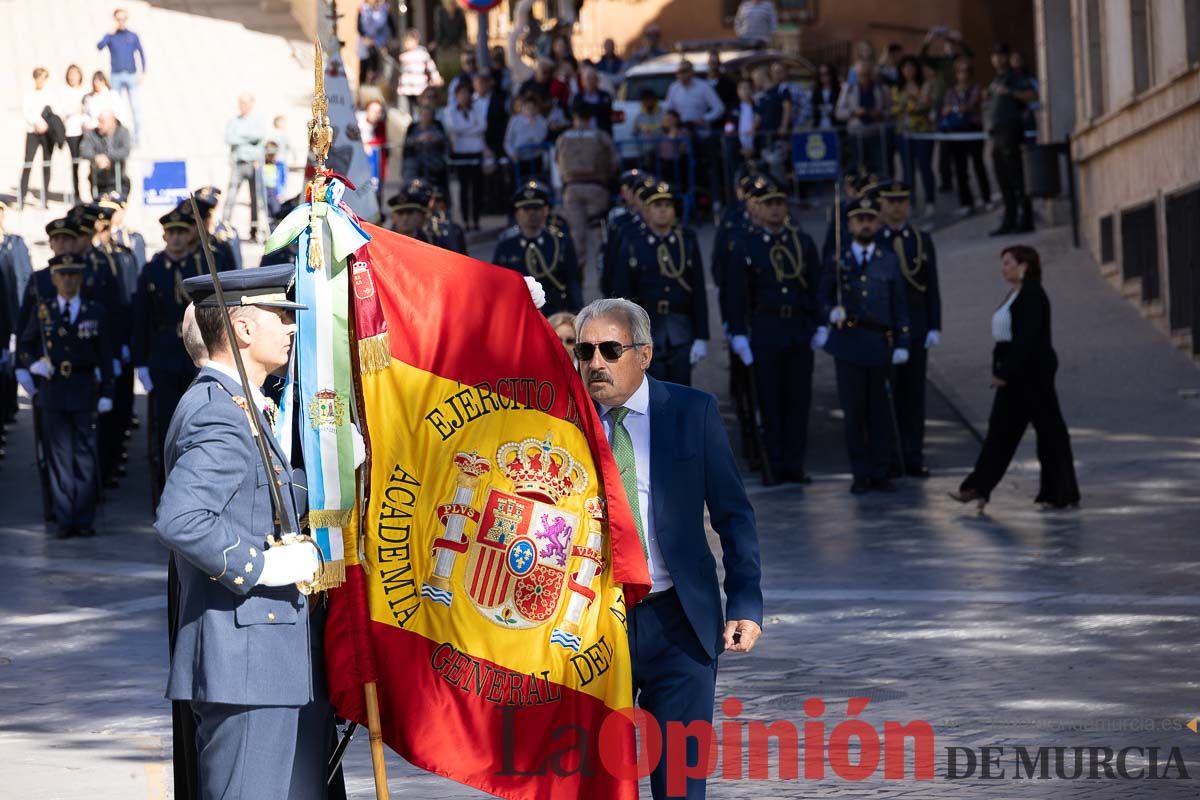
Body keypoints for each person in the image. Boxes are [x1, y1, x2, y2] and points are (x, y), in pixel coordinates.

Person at [574, 297, 761, 800]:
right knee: (590, 783)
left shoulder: (692, 412)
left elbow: (733, 515)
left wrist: (744, 603)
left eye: (610, 350)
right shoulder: (560, 422)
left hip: (680, 621)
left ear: (645, 354)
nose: (595, 363)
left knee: (680, 784)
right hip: (589, 628)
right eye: (585, 350)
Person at [155, 263, 330, 800]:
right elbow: (181, 518)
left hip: (258, 654)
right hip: (245, 657)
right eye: (281, 315)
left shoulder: (239, 406)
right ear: (245, 329)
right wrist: (263, 565)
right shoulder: (220, 412)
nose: (292, 327)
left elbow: (258, 499)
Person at [951, 246, 1079, 512]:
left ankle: (1060, 491)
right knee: (1002, 432)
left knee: (1049, 432)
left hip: (1030, 375)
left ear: (1024, 266)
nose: (1003, 268)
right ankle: (978, 488)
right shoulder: (1016, 294)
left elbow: (1026, 340)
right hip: (1017, 374)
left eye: (1008, 263)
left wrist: (1004, 373)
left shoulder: (1032, 295)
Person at [723, 177, 822, 483]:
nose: (776, 210)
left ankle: (795, 463)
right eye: (769, 204)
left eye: (780, 203)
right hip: (765, 329)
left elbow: (815, 287)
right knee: (769, 400)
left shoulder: (801, 243)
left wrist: (819, 324)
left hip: (796, 328)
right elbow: (736, 293)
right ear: (758, 209)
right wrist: (738, 333)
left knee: (798, 400)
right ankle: (774, 463)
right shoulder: (746, 246)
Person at [133, 202, 235, 478]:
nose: (177, 237)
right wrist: (141, 361)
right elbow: (141, 317)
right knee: (166, 421)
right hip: (164, 353)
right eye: (171, 232)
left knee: (203, 413)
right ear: (164, 236)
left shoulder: (203, 263)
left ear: (192, 233)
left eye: (182, 231)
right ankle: (165, 480)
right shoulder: (152, 269)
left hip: (200, 348)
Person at [15, 254, 114, 538]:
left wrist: (107, 390)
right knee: (59, 455)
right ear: (54, 278)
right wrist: (33, 363)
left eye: (73, 275)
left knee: (84, 455)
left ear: (80, 278)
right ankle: (64, 518)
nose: (68, 280)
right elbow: (26, 343)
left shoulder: (95, 311)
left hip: (84, 388)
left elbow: (105, 356)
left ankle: (83, 518)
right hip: (54, 388)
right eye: (63, 275)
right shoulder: (43, 309)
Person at [817, 195, 911, 494]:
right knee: (855, 413)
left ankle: (881, 471)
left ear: (878, 222)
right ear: (849, 224)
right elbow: (821, 297)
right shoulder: (837, 259)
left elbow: (899, 304)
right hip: (848, 344)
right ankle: (860, 472)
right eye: (860, 219)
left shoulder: (889, 259)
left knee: (880, 412)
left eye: (871, 219)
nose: (866, 224)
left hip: (879, 343)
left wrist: (902, 340)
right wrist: (830, 312)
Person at [607, 181, 709, 386]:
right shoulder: (634, 241)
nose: (663, 211)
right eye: (657, 206)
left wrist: (702, 335)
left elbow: (698, 289)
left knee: (681, 391)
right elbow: (622, 292)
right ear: (646, 210)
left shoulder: (686, 240)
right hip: (646, 327)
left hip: (680, 327)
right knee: (652, 393)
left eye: (667, 206)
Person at [876, 181, 941, 477]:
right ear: (881, 205)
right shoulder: (875, 240)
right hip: (884, 328)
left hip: (915, 326)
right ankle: (889, 457)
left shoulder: (920, 239)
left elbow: (931, 286)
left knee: (914, 395)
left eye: (902, 200)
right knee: (886, 396)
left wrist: (934, 324)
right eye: (891, 201)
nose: (897, 206)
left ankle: (913, 455)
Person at [491, 181, 582, 316]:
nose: (531, 214)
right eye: (526, 209)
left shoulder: (559, 242)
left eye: (536, 209)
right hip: (518, 313)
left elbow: (572, 281)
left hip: (555, 313)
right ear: (517, 213)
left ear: (545, 211)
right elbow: (497, 286)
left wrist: (576, 313)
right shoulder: (506, 245)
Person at [556, 105, 619, 274]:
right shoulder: (600, 136)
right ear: (590, 118)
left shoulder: (563, 138)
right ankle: (603, 274)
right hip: (596, 187)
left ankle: (577, 278)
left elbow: (557, 162)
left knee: (576, 235)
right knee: (598, 234)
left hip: (572, 188)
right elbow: (614, 163)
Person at [986, 42, 1037, 236]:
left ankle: (1025, 219)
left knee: (1017, 177)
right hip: (997, 133)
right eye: (994, 56)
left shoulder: (1015, 77)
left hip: (1012, 130)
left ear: (1007, 57)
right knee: (1003, 178)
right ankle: (1010, 219)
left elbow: (1032, 95)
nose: (997, 59)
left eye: (1001, 55)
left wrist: (1011, 93)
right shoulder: (997, 79)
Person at [941, 57, 991, 214]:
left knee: (978, 164)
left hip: (973, 129)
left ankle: (986, 198)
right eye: (960, 71)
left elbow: (970, 105)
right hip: (956, 131)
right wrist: (954, 109)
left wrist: (956, 108)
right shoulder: (951, 91)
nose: (963, 74)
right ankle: (966, 202)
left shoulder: (976, 88)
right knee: (960, 168)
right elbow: (945, 109)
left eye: (966, 71)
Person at [0, 202, 33, 429]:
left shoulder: (13, 243)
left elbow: (22, 278)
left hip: (13, 310)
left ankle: (9, 406)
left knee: (11, 363)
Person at [891, 56, 937, 216]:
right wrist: (911, 103)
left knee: (925, 167)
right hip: (903, 133)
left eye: (911, 67)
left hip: (922, 132)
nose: (908, 71)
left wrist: (909, 104)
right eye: (905, 68)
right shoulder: (897, 88)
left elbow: (925, 105)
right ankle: (910, 202)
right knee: (907, 169)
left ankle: (930, 201)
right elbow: (895, 109)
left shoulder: (925, 86)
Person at [96, 7, 146, 142]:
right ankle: (116, 137)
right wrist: (110, 34)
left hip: (130, 74)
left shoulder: (132, 36)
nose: (121, 22)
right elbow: (99, 46)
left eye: (124, 19)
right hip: (116, 75)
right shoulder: (111, 36)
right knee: (116, 107)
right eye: (119, 19)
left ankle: (137, 138)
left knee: (135, 107)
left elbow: (141, 53)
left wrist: (143, 72)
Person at [223, 93, 267, 241]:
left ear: (251, 104)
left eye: (245, 103)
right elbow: (229, 138)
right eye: (240, 103)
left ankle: (254, 229)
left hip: (254, 164)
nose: (242, 106)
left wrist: (241, 138)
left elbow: (259, 136)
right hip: (238, 163)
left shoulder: (257, 120)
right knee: (231, 196)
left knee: (256, 198)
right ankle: (224, 225)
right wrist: (248, 139)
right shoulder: (234, 121)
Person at [836, 60, 890, 178]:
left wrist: (880, 114)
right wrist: (854, 112)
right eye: (861, 74)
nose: (864, 77)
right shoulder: (848, 88)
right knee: (856, 167)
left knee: (878, 167)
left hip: (876, 134)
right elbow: (839, 113)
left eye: (867, 74)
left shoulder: (882, 89)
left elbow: (889, 111)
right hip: (856, 134)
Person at [445, 81, 486, 231]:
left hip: (475, 150)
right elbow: (454, 128)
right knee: (463, 188)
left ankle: (475, 220)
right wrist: (472, 129)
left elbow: (482, 126)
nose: (464, 96)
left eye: (466, 93)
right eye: (461, 94)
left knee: (476, 188)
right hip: (460, 153)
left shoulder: (477, 108)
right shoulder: (451, 111)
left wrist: (465, 131)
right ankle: (466, 221)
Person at [19, 67, 54, 211]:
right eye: (39, 77)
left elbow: (53, 111)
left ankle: (45, 198)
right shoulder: (29, 95)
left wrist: (45, 124)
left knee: (46, 164)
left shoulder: (50, 95)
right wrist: (36, 122)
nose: (41, 80)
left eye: (43, 78)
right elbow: (26, 112)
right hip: (33, 131)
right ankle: (22, 196)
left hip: (46, 132)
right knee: (28, 163)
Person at [80, 111, 132, 198]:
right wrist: (97, 158)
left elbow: (125, 150)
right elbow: (84, 151)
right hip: (98, 181)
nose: (99, 125)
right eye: (98, 121)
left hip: (119, 180)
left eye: (102, 122)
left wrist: (107, 157)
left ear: (112, 122)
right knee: (100, 209)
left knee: (118, 208)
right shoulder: (92, 134)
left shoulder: (123, 132)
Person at [57, 65, 89, 202]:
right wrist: (75, 109)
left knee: (89, 161)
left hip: (85, 130)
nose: (73, 77)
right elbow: (62, 111)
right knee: (75, 163)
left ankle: (92, 190)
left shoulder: (86, 90)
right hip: (71, 131)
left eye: (75, 74)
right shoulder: (64, 92)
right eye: (71, 74)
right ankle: (77, 193)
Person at [402, 104, 449, 192]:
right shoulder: (413, 128)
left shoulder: (437, 127)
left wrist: (434, 139)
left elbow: (444, 141)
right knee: (413, 187)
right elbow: (406, 144)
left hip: (434, 166)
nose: (426, 117)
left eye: (428, 115)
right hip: (415, 167)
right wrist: (417, 139)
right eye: (424, 115)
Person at [503, 94, 550, 183]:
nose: (530, 111)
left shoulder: (542, 122)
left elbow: (539, 140)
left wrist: (533, 125)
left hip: (535, 159)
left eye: (533, 108)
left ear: (537, 109)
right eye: (527, 107)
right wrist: (512, 153)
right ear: (523, 108)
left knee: (534, 183)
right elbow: (507, 141)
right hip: (518, 160)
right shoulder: (514, 120)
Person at [398, 29, 443, 119]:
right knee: (407, 109)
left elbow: (431, 67)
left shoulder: (422, 53)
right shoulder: (403, 55)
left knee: (419, 107)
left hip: (419, 86)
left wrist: (436, 77)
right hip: (406, 87)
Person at [356, 0, 397, 86]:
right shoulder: (363, 9)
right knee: (365, 66)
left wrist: (391, 40)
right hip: (366, 43)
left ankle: (377, 88)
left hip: (381, 43)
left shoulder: (385, 9)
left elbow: (391, 25)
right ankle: (363, 88)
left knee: (379, 68)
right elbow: (359, 26)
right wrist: (365, 38)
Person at [571, 66, 614, 134]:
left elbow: (606, 110)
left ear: (597, 80)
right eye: (588, 78)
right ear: (582, 81)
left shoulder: (605, 95)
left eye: (593, 78)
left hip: (602, 135)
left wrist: (585, 108)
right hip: (582, 135)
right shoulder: (577, 97)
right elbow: (577, 111)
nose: (590, 81)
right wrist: (597, 108)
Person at [811, 63, 841, 129]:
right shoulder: (816, 91)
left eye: (826, 74)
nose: (823, 77)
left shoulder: (839, 91)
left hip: (835, 127)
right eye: (821, 74)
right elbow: (813, 108)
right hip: (818, 127)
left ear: (831, 75)